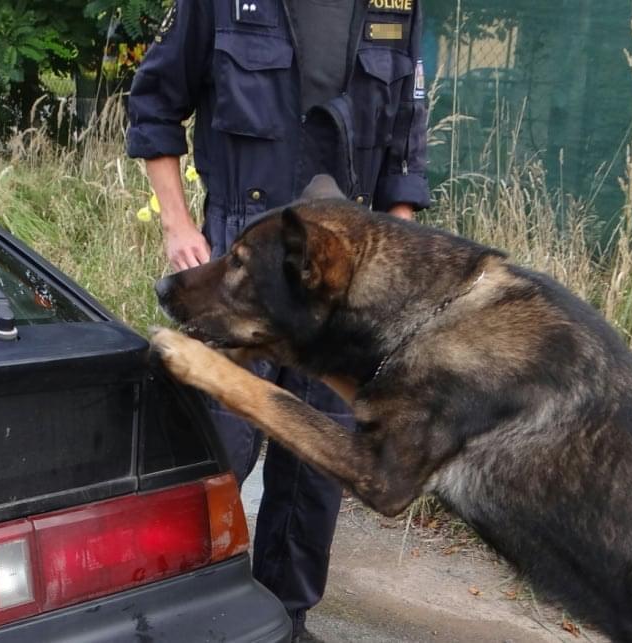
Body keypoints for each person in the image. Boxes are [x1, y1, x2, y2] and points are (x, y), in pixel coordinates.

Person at [126, 0, 429, 639]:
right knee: (212, 457)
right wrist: (178, 225)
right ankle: (179, 618)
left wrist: (391, 264)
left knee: (317, 465)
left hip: (342, 281)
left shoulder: (397, 5)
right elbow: (155, 105)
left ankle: (286, 621)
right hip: (238, 271)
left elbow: (405, 145)